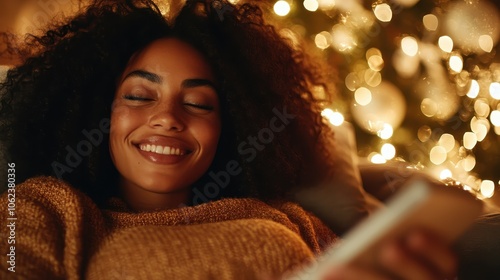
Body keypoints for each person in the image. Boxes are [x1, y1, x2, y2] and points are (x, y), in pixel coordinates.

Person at [0, 0, 457, 279]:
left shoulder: (290, 220)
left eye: (199, 104)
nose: (167, 118)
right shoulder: (45, 207)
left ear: (231, 126)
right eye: (140, 95)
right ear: (99, 112)